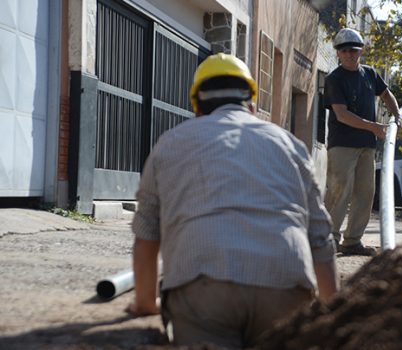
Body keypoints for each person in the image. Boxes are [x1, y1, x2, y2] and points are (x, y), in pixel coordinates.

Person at [126, 53, 339, 348]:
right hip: (286, 288)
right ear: (251, 105)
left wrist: (145, 303)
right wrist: (334, 316)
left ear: (197, 106)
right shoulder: (290, 144)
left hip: (203, 291)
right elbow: (320, 237)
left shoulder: (170, 143)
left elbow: (147, 235)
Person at [323, 28, 401, 256]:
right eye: (344, 51)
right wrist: (374, 127)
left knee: (365, 194)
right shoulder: (334, 79)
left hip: (367, 145)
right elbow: (342, 115)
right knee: (339, 192)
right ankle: (328, 240)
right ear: (338, 53)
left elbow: (386, 94)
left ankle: (352, 241)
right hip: (342, 145)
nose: (349, 54)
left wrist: (396, 115)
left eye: (353, 50)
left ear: (361, 51)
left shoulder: (369, 74)